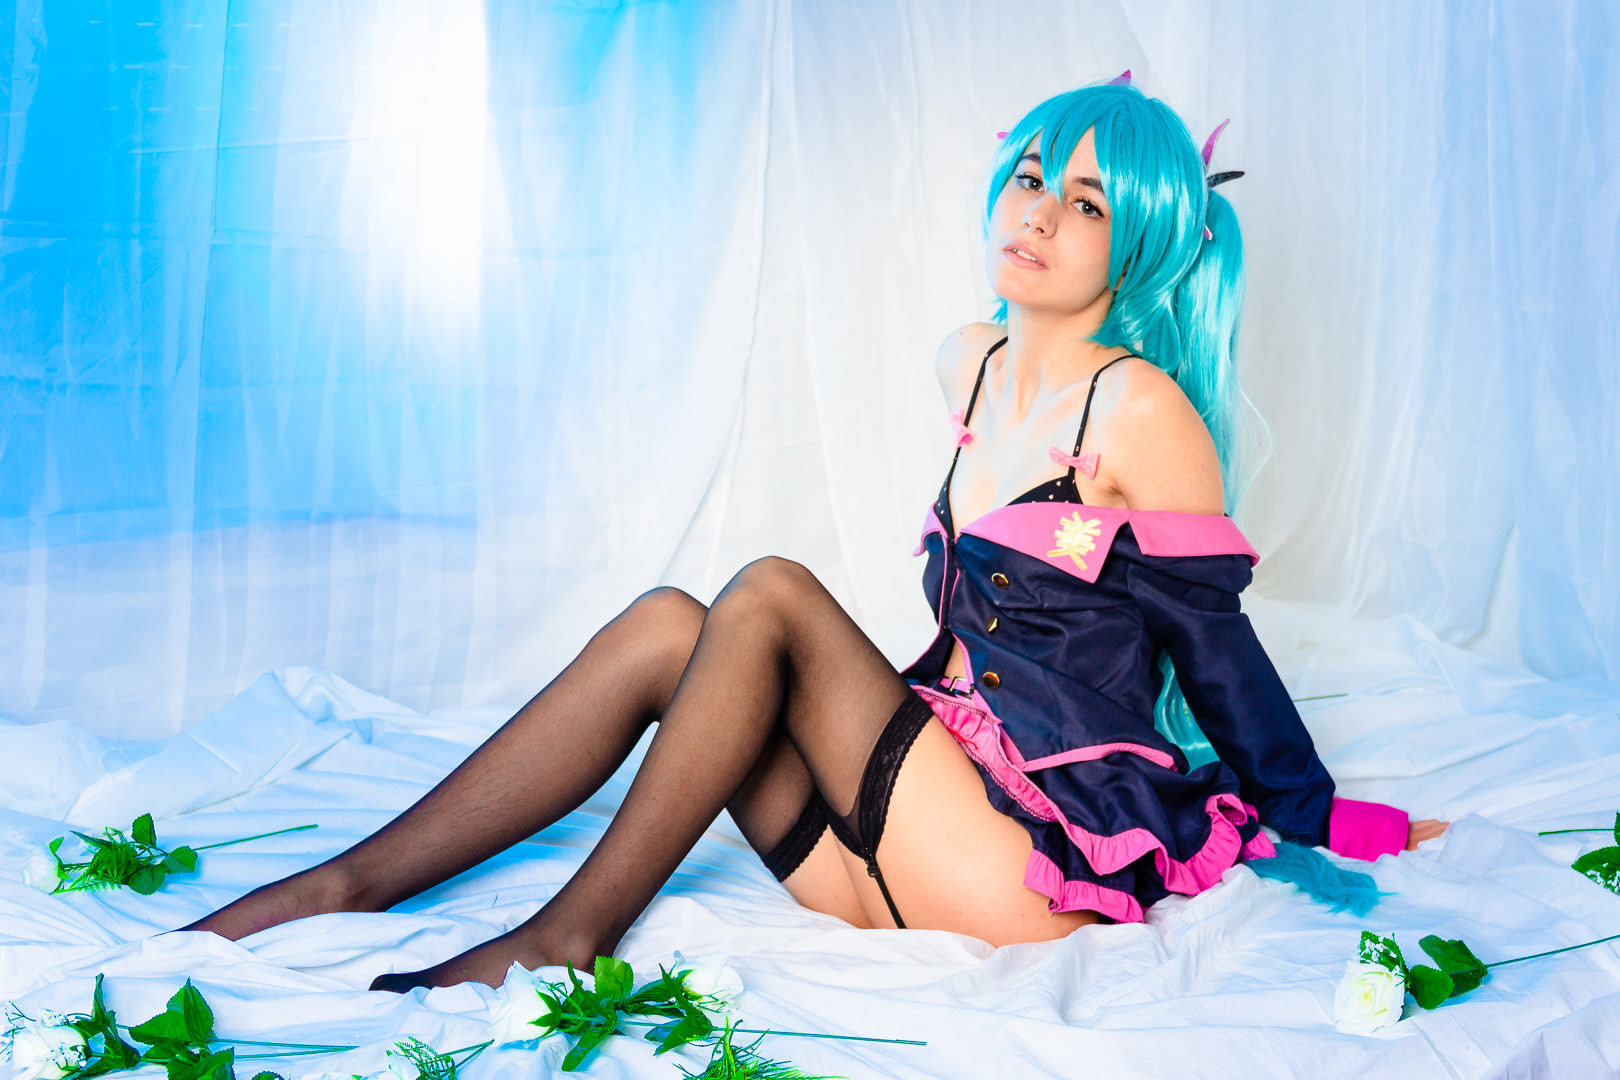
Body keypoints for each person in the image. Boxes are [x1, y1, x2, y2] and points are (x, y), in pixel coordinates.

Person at [173, 75, 1450, 991]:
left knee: (774, 590)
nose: (1038, 214)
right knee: (671, 626)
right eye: (1028, 177)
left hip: (1020, 869)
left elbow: (1217, 654)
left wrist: (1320, 816)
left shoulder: (1141, 410)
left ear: (1144, 245)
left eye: (1088, 204)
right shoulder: (970, 360)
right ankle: (345, 886)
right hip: (877, 854)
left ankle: (568, 935)